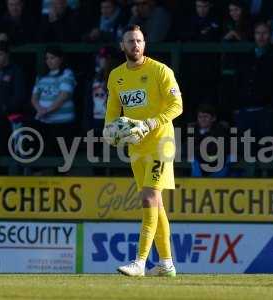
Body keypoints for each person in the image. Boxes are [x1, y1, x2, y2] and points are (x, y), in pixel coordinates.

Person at [103, 24, 182, 277]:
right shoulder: (116, 76)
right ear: (122, 46)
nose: (135, 45)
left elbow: (176, 105)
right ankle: (167, 264)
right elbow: (113, 111)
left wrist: (150, 123)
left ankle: (140, 262)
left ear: (144, 44)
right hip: (136, 147)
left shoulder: (160, 70)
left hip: (160, 143)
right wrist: (108, 131)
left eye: (139, 41)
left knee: (148, 198)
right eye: (130, 41)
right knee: (156, 205)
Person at [31, 46, 76, 155]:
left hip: (62, 124)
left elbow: (63, 96)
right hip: (44, 122)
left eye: (52, 58)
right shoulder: (41, 76)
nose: (49, 61)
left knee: (61, 157)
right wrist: (39, 109)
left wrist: (45, 111)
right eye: (47, 58)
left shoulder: (67, 73)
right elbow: (34, 97)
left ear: (60, 59)